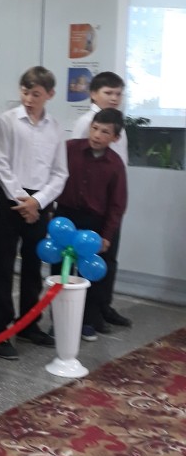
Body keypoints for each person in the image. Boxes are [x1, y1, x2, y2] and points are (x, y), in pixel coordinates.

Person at [0, 66, 68, 360]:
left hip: (40, 202)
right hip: (11, 200)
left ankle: (29, 323)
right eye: (25, 92)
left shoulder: (55, 128)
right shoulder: (7, 121)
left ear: (50, 95)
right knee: (3, 265)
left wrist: (38, 202)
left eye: (36, 94)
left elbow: (60, 173)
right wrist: (24, 201)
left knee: (34, 265)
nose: (29, 99)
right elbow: (1, 164)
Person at [53, 108, 127, 341]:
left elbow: (117, 204)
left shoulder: (115, 164)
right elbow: (53, 178)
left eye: (105, 132)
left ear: (115, 138)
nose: (96, 135)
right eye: (94, 128)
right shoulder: (69, 149)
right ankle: (59, 321)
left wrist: (107, 235)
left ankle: (88, 320)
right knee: (61, 271)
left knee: (92, 274)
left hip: (95, 223)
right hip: (66, 219)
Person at [70, 71, 130, 329]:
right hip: (87, 207)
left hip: (110, 202)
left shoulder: (118, 125)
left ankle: (102, 307)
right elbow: (76, 165)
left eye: (118, 94)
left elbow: (119, 164)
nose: (114, 98)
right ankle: (83, 313)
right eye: (108, 93)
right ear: (93, 94)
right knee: (83, 260)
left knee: (108, 259)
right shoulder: (86, 122)